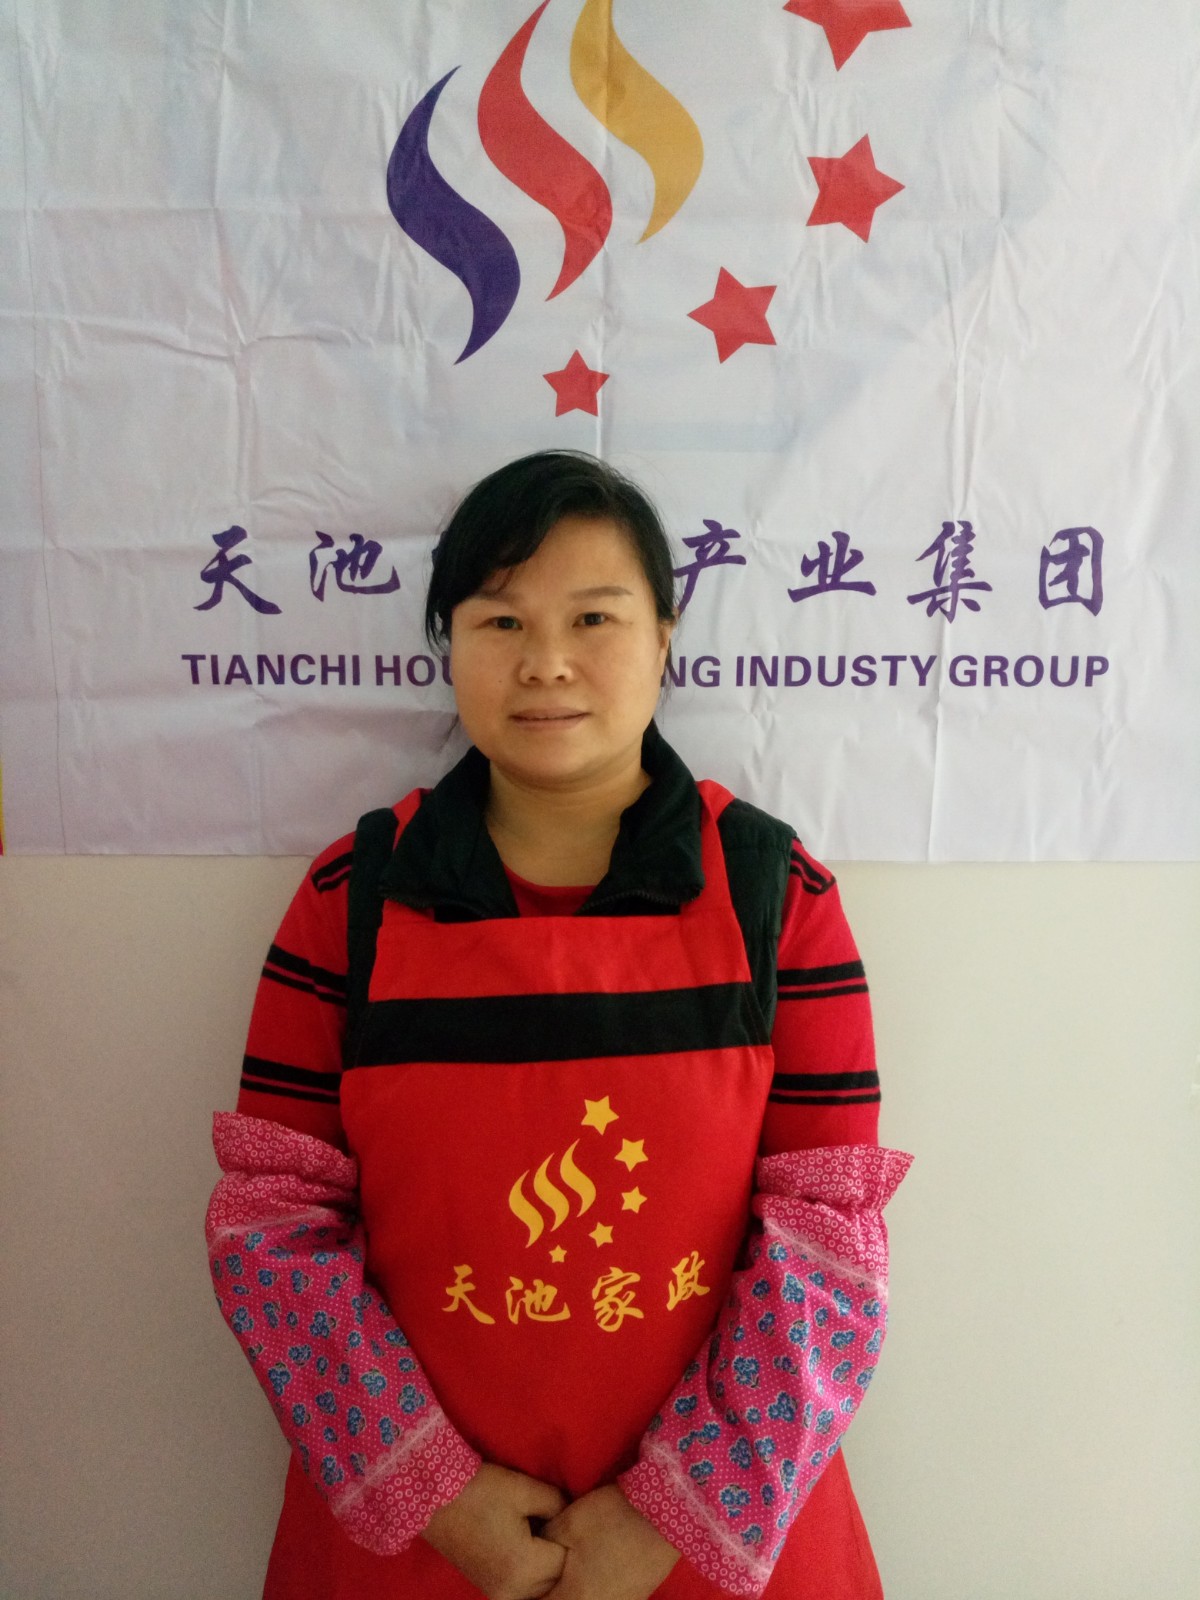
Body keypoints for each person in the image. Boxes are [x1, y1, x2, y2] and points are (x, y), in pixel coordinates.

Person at [206, 450, 910, 1600]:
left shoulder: (776, 899)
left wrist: (670, 1514)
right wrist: (435, 1492)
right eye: (500, 620)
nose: (545, 662)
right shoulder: (351, 901)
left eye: (593, 617)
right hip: (417, 1549)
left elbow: (829, 1244)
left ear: (665, 637)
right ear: (447, 643)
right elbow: (272, 1227)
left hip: (712, 1547)